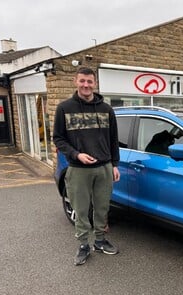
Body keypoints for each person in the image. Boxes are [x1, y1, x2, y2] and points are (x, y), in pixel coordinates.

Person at [53, 66, 120, 266]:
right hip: (78, 168)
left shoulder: (106, 109)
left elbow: (114, 140)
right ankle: (83, 244)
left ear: (95, 83)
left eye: (89, 81)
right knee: (81, 209)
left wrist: (114, 164)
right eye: (82, 81)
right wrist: (76, 154)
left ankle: (99, 241)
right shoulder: (64, 108)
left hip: (104, 168)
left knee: (102, 207)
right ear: (76, 81)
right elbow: (58, 138)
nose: (86, 85)